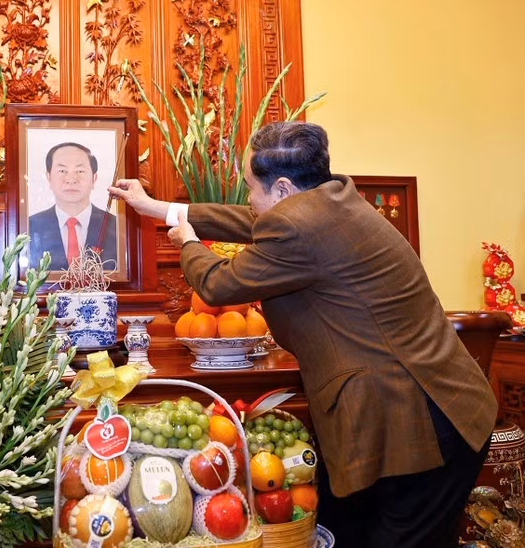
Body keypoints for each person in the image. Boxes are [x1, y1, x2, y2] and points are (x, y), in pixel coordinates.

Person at [109, 122, 495, 547]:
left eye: (252, 187)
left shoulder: (299, 226)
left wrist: (187, 242)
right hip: (430, 407)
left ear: (284, 190)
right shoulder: (331, 199)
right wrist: (159, 208)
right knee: (342, 527)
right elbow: (251, 219)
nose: (250, 199)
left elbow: (219, 285)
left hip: (421, 422)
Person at [28, 142, 117, 271]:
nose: (71, 179)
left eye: (80, 171)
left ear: (94, 179)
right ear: (48, 178)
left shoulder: (114, 226)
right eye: (62, 171)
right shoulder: (30, 226)